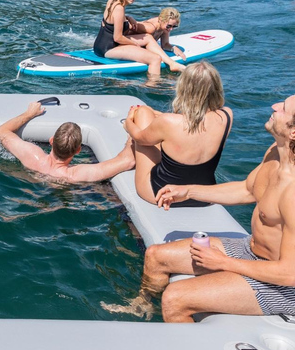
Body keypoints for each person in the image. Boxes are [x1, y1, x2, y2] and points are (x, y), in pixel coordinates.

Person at [109, 95, 295, 322]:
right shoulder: (275, 152)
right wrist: (188, 191)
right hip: (252, 250)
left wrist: (224, 263)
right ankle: (142, 308)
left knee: (175, 298)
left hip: (283, 287)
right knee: (156, 256)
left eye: (283, 109)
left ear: (293, 132)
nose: (275, 106)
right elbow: (247, 190)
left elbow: (289, 273)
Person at [123, 61, 232, 206]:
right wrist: (158, 116)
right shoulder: (226, 116)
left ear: (183, 88)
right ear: (216, 88)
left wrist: (129, 121)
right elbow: (195, 129)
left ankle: (125, 158)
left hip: (161, 194)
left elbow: (139, 138)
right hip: (204, 196)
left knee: (142, 112)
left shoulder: (168, 122)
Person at [0, 102, 135, 183]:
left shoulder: (32, 157)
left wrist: (29, 113)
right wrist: (131, 126)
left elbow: (2, 132)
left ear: (51, 141)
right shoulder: (76, 174)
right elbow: (128, 161)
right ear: (78, 150)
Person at [92, 0, 184, 77]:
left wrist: (127, 18)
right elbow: (117, 38)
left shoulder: (113, 0)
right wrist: (135, 45)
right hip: (108, 48)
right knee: (155, 59)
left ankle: (171, 64)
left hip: (101, 43)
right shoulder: (119, 9)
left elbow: (111, 19)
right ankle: (152, 87)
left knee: (148, 38)